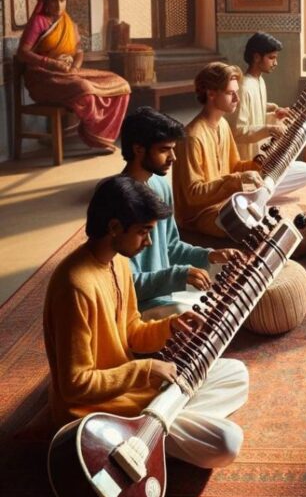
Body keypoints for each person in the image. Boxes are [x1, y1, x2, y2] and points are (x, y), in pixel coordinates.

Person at [43, 176, 249, 469]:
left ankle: (158, 425)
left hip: (132, 393)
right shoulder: (75, 285)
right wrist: (147, 369)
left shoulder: (119, 262)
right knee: (226, 443)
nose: (149, 242)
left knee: (236, 373)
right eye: (143, 232)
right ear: (114, 228)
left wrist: (171, 327)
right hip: (96, 411)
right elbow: (75, 387)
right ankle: (142, 431)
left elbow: (132, 333)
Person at [121, 107, 243, 318]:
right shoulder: (120, 199)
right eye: (164, 150)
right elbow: (124, 285)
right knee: (199, 316)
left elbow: (171, 247)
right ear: (138, 149)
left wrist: (210, 255)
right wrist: (178, 275)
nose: (174, 158)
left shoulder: (160, 184)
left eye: (173, 149)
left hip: (165, 292)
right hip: (138, 307)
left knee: (234, 280)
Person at [17, 0, 130, 152]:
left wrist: (75, 67)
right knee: (84, 88)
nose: (59, 5)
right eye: (54, 1)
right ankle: (95, 138)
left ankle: (101, 136)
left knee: (120, 84)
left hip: (68, 73)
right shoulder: (38, 22)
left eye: (62, 0)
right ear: (45, 2)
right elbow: (22, 53)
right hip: (42, 78)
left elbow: (79, 51)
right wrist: (51, 63)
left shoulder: (68, 22)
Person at [173, 62, 263, 237]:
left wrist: (257, 164)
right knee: (252, 229)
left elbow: (234, 167)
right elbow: (193, 195)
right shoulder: (192, 137)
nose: (237, 98)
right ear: (211, 94)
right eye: (231, 93)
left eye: (236, 92)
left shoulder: (222, 124)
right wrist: (237, 180)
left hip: (227, 201)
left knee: (296, 175)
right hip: (201, 215)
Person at [228, 31, 306, 196]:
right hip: (248, 166)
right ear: (257, 57)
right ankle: (253, 192)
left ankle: (261, 191)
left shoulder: (259, 81)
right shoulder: (243, 87)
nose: (275, 63)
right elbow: (237, 132)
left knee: (305, 171)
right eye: (272, 58)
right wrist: (269, 129)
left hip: (264, 160)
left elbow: (256, 115)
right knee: (304, 172)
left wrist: (275, 113)